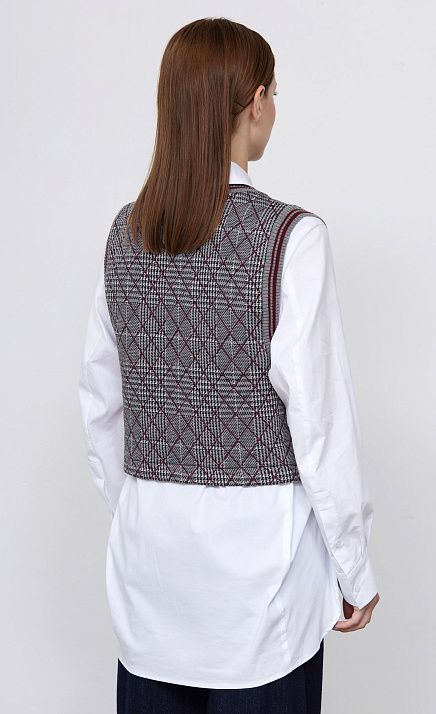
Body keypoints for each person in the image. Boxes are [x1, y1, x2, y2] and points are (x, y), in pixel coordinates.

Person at [78, 17, 380, 714]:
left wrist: (145, 514)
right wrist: (354, 568)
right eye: (275, 92)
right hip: (261, 598)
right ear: (255, 101)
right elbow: (321, 427)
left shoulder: (126, 233)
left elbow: (100, 406)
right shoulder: (291, 239)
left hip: (150, 588)